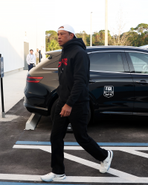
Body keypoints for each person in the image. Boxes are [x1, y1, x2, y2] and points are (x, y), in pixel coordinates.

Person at [40, 24, 113, 182]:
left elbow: (80, 82)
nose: (58, 36)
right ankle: (58, 172)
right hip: (63, 101)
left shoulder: (79, 53)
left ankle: (105, 156)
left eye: (62, 34)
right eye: (58, 34)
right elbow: (66, 78)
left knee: (81, 137)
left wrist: (69, 104)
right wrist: (62, 96)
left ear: (71, 35)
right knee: (56, 136)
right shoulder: (65, 51)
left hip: (77, 103)